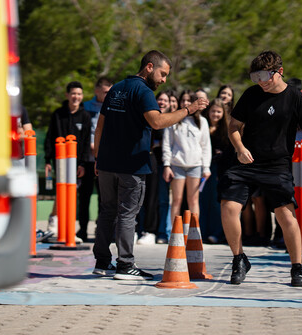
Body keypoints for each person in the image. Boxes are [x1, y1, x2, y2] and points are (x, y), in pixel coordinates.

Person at [93, 50, 209, 279]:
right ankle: (125, 265)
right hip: (132, 165)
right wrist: (188, 110)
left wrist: (98, 158)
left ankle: (102, 262)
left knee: (106, 212)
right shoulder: (144, 91)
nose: (164, 79)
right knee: (127, 214)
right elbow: (157, 122)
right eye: (162, 73)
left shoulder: (116, 88)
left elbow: (100, 126)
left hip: (106, 164)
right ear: (149, 67)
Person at [218, 51, 302, 287]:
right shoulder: (251, 94)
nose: (261, 83)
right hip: (246, 162)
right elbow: (234, 126)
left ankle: (297, 267)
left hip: (277, 164)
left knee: (285, 215)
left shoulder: (295, 98)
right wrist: (239, 148)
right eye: (256, 78)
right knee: (228, 206)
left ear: (279, 72)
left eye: (265, 77)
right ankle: (239, 258)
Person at [44, 81, 91, 238]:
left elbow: (85, 142)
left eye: (79, 94)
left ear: (82, 96)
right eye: (73, 93)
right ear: (67, 95)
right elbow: (50, 137)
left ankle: (69, 228)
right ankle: (54, 221)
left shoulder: (85, 116)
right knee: (60, 191)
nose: (76, 97)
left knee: (73, 194)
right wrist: (47, 160)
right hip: (60, 160)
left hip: (77, 163)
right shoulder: (58, 114)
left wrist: (82, 164)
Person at [163, 90, 212, 231]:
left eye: (189, 100)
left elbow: (205, 146)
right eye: (183, 100)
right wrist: (167, 165)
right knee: (177, 200)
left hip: (195, 166)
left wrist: (206, 167)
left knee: (193, 200)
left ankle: (194, 232)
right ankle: (175, 233)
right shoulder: (173, 119)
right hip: (177, 165)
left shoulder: (202, 121)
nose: (185, 103)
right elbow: (167, 144)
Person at [77, 77, 113, 241]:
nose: (108, 95)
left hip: (104, 159)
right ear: (97, 91)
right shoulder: (85, 107)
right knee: (84, 197)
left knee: (104, 198)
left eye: (110, 92)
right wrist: (91, 147)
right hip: (87, 159)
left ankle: (101, 231)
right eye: (105, 92)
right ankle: (82, 230)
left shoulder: (113, 107)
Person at [135, 91, 172, 245]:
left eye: (165, 100)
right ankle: (138, 229)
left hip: (163, 164)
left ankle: (152, 230)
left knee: (156, 200)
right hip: (146, 159)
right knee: (139, 197)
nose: (162, 102)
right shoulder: (148, 117)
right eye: (160, 100)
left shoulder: (170, 120)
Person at [200, 98, 229, 244]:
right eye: (213, 111)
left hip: (219, 170)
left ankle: (216, 233)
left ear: (223, 113)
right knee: (202, 201)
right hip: (204, 168)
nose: (216, 114)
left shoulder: (226, 130)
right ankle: (202, 232)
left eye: (219, 112)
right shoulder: (202, 125)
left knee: (216, 203)